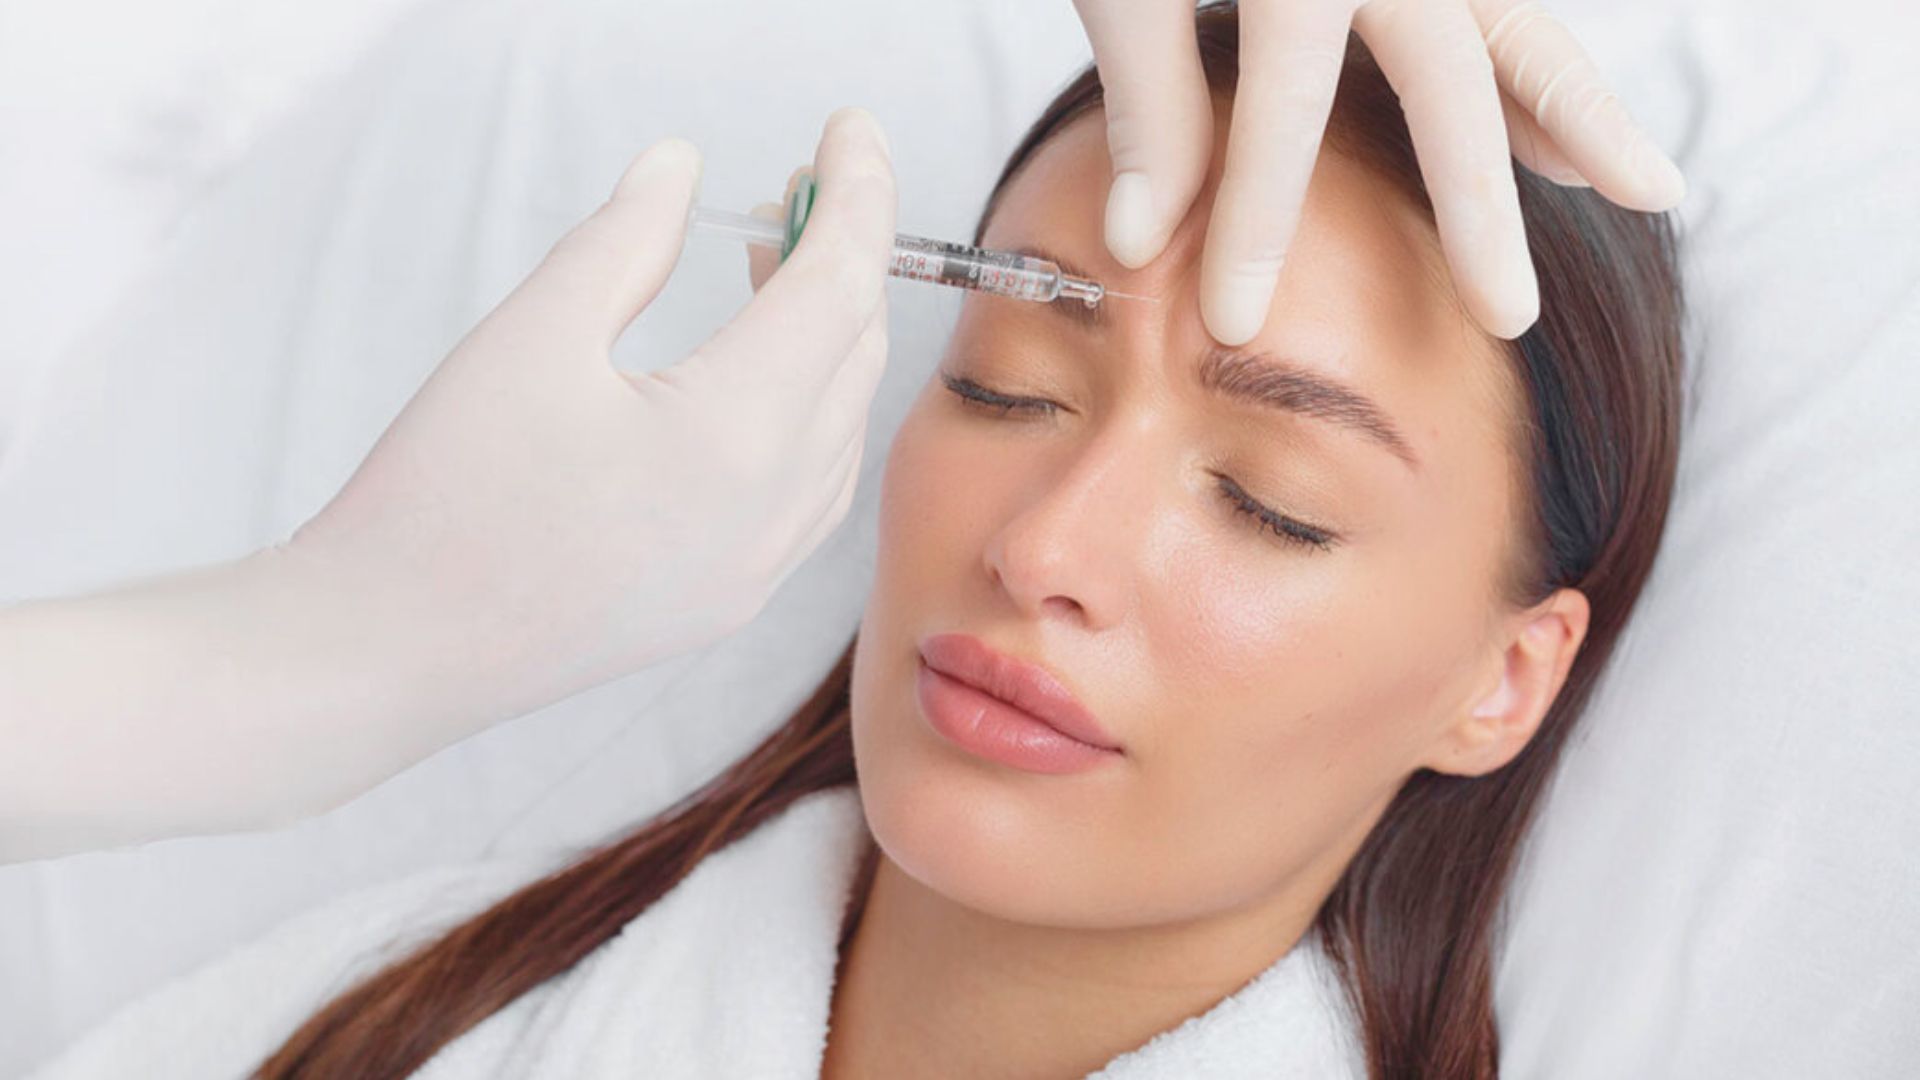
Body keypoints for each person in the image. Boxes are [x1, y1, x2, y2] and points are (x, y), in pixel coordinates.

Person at [28, 5, 1686, 1077]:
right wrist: (316, 660)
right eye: (1009, 390)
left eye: (1272, 501)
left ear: (1505, 677)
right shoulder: (373, 1022)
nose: (1048, 547)